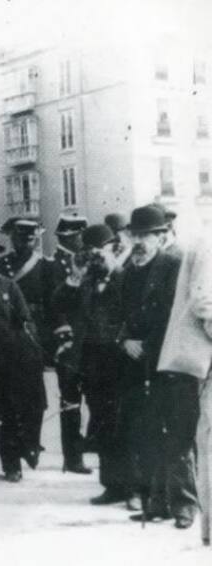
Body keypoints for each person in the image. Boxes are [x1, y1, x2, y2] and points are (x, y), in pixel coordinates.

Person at [117, 205, 196, 528]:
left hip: (170, 360)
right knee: (148, 432)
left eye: (146, 235)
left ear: (161, 237)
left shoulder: (175, 267)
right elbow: (119, 313)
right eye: (135, 235)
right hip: (138, 364)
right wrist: (124, 340)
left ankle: (184, 505)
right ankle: (157, 502)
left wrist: (146, 345)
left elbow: (177, 315)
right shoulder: (128, 272)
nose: (138, 242)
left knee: (177, 434)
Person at [52, 224, 137, 509]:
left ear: (114, 248)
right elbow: (58, 302)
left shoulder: (126, 277)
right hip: (91, 361)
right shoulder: (86, 279)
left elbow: (133, 316)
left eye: (100, 249)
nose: (96, 255)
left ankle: (133, 488)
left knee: (123, 424)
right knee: (101, 422)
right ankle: (112, 485)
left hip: (119, 360)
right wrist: (75, 277)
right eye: (89, 250)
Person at [0, 231, 45, 482]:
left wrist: (21, 348)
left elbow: (25, 320)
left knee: (7, 413)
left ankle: (11, 464)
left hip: (3, 360)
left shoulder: (7, 285)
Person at [157, 234, 212, 540]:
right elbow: (204, 302)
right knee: (204, 444)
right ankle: (207, 527)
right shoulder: (208, 244)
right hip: (200, 362)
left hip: (202, 360)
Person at [46, 214, 92, 474]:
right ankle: (72, 458)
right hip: (69, 342)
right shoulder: (54, 265)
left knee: (92, 399)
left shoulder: (86, 261)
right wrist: (63, 337)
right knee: (71, 400)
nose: (81, 241)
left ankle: (84, 450)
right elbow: (54, 306)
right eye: (78, 236)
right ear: (67, 237)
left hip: (89, 339)